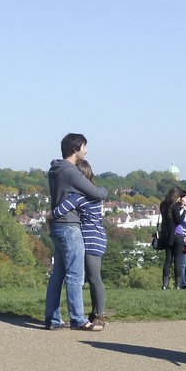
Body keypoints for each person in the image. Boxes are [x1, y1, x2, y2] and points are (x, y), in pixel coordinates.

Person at [45, 133, 107, 331]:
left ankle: (53, 319)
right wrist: (104, 191)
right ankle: (78, 319)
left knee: (58, 274)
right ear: (75, 149)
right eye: (84, 146)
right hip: (70, 226)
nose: (86, 150)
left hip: (57, 226)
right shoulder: (71, 172)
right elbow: (95, 193)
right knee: (75, 275)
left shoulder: (55, 169)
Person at [160, 187, 186, 290]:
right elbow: (178, 220)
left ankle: (165, 285)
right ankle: (178, 285)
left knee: (168, 260)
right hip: (177, 236)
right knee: (177, 260)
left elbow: (168, 218)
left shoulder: (163, 205)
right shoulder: (175, 206)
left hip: (166, 236)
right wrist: (185, 211)